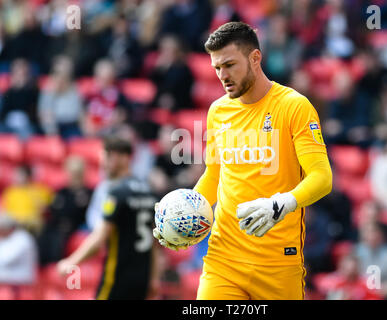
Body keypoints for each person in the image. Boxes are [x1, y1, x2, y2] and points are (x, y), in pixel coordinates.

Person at [153, 22, 333, 300]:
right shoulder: (218, 111)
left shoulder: (294, 106)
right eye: (216, 68)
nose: (222, 76)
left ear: (255, 58)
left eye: (229, 65)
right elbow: (213, 175)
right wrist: (183, 218)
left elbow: (322, 178)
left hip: (278, 262)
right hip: (223, 258)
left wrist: (282, 204)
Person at [57, 137, 160, 300]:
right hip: (143, 277)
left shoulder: (116, 193)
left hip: (118, 274)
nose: (102, 163)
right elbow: (155, 244)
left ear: (122, 158)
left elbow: (100, 237)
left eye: (107, 157)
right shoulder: (149, 192)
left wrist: (71, 261)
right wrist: (154, 277)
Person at [0, 214, 38, 285]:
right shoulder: (5, 238)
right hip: (8, 283)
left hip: (21, 284)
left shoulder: (22, 238)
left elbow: (6, 260)